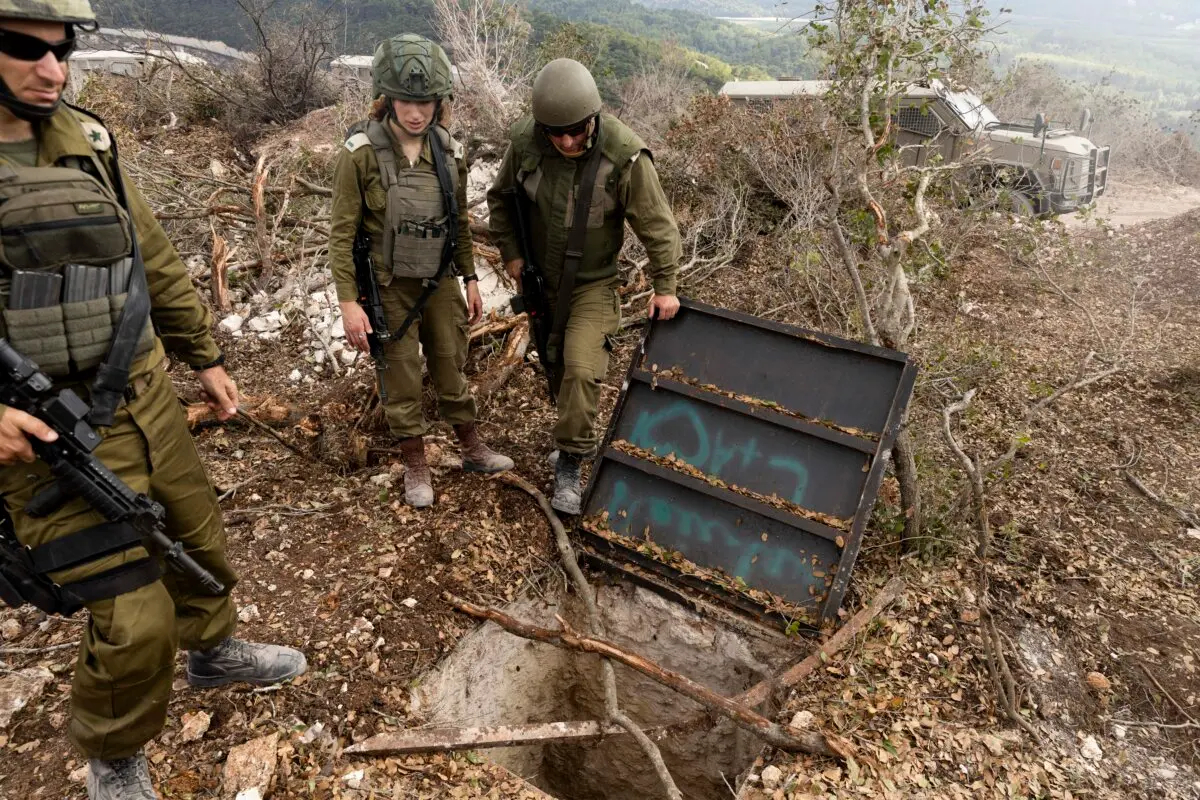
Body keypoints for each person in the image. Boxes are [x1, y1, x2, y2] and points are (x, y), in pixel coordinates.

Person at [0, 3, 306, 798]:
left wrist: (203, 354)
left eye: (61, 52)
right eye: (26, 52)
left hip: (141, 397)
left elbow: (152, 256)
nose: (53, 70)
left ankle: (213, 653)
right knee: (132, 615)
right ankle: (115, 753)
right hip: (41, 437)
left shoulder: (86, 142)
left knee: (197, 536)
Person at [487, 58, 682, 515]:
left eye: (577, 129)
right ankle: (570, 434)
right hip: (542, 281)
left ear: (594, 116)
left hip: (593, 284)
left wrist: (665, 285)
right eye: (557, 133)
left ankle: (571, 463)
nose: (568, 141)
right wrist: (513, 255)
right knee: (555, 365)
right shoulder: (526, 143)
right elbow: (500, 200)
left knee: (580, 367)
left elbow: (658, 225)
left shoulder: (623, 154)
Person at [330, 34, 513, 508]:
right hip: (389, 285)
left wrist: (471, 278)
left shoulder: (449, 153)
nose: (416, 112)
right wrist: (349, 304)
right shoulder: (360, 153)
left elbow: (460, 224)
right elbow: (341, 233)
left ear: (439, 102)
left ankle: (471, 446)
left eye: (426, 102)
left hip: (439, 281)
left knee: (452, 363)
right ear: (387, 98)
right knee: (402, 376)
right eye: (407, 101)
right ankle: (415, 463)